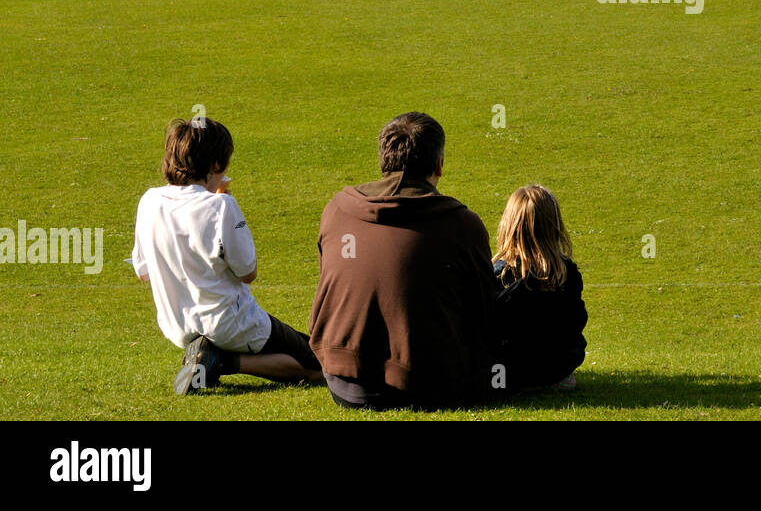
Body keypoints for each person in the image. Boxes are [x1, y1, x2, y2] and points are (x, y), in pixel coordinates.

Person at [309, 112, 497, 411]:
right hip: (428, 385)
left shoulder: (337, 210)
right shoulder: (461, 224)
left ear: (384, 159)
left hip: (343, 378)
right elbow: (485, 312)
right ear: (439, 164)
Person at [132, 117, 323, 395]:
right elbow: (248, 272)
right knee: (320, 364)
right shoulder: (221, 205)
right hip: (230, 323)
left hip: (178, 326)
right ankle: (221, 360)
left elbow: (143, 272)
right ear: (216, 165)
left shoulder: (149, 201)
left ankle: (206, 354)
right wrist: (225, 203)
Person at [491, 185, 587, 392]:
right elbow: (577, 320)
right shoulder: (565, 274)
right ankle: (552, 378)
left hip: (506, 370)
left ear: (509, 225)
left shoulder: (499, 273)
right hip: (555, 368)